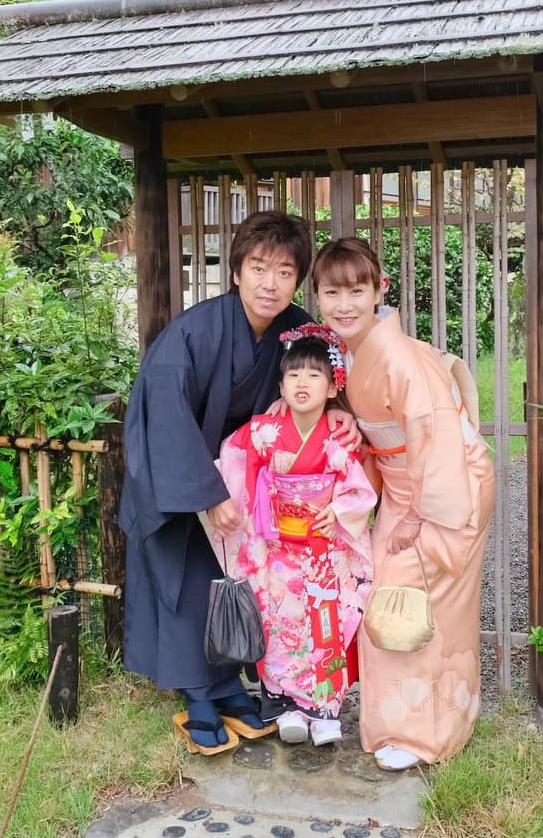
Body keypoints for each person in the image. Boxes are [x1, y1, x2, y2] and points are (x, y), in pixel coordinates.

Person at [120, 210, 326, 756]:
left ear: (297, 280)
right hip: (179, 475)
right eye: (258, 267)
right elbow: (162, 414)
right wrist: (207, 494)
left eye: (285, 271)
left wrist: (343, 416)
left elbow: (324, 385)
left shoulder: (295, 332)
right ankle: (199, 695)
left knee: (236, 581)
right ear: (236, 271)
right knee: (191, 582)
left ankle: (229, 686)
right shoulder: (193, 332)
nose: (270, 282)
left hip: (244, 484)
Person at [312, 237, 495, 772]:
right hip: (403, 481)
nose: (343, 305)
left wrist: (418, 515)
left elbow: (431, 431)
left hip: (444, 485)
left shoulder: (395, 356)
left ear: (379, 291)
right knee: (385, 591)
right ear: (318, 296)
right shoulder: (351, 350)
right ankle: (410, 721)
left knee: (415, 595)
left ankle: (423, 733)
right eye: (331, 293)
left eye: (356, 291)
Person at [207, 326, 376, 747]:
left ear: (333, 386)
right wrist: (243, 502)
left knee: (325, 624)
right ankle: (283, 705)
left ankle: (324, 709)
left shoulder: (337, 435)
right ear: (280, 385)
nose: (302, 383)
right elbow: (232, 456)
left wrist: (337, 511)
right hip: (276, 549)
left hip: (323, 549)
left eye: (314, 375)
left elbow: (358, 488)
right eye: (294, 375)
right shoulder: (265, 431)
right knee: (278, 622)